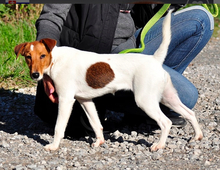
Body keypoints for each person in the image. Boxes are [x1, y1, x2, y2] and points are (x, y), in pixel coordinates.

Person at [34, 4, 214, 137]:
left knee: (201, 18)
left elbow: (141, 13)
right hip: (102, 59)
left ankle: (144, 102)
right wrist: (48, 62)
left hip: (134, 45)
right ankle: (140, 105)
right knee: (188, 97)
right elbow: (51, 16)